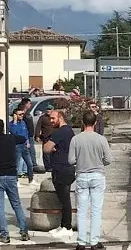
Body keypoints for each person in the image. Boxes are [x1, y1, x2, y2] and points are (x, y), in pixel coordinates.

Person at [69, 110, 112, 250]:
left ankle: (81, 242)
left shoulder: (76, 139)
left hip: (81, 175)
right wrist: (99, 162)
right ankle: (94, 242)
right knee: (96, 210)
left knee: (81, 211)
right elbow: (108, 160)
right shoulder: (101, 139)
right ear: (95, 123)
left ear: (82, 122)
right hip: (97, 176)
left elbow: (71, 160)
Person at [0, 119, 31, 243]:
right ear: (3, 128)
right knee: (16, 204)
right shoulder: (11, 139)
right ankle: (24, 231)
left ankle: (4, 234)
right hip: (11, 175)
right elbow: (22, 138)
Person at [43, 110, 76, 238]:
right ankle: (63, 225)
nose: (51, 121)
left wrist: (51, 146)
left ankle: (67, 227)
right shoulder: (69, 131)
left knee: (65, 200)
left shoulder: (61, 131)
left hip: (62, 169)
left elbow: (46, 148)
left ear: (60, 117)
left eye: (53, 118)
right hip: (66, 167)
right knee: (63, 200)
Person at [9, 107, 35, 185]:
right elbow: (14, 132)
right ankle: (16, 181)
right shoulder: (11, 124)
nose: (22, 115)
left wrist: (27, 141)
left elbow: (25, 133)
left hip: (25, 146)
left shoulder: (23, 123)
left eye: (22, 114)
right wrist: (15, 121)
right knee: (16, 164)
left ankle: (31, 179)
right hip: (17, 146)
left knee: (30, 164)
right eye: (20, 114)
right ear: (15, 115)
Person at [19, 98, 41, 174]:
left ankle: (32, 166)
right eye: (29, 103)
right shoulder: (22, 114)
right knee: (29, 152)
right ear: (25, 104)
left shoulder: (28, 113)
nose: (30, 105)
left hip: (30, 135)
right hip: (26, 136)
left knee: (32, 151)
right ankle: (30, 167)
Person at [34, 104, 55, 172]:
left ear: (53, 110)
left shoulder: (55, 117)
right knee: (46, 153)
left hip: (54, 137)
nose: (48, 110)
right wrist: (37, 136)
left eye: (50, 109)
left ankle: (53, 165)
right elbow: (38, 127)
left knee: (53, 152)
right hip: (45, 137)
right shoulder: (42, 118)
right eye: (47, 109)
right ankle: (47, 167)